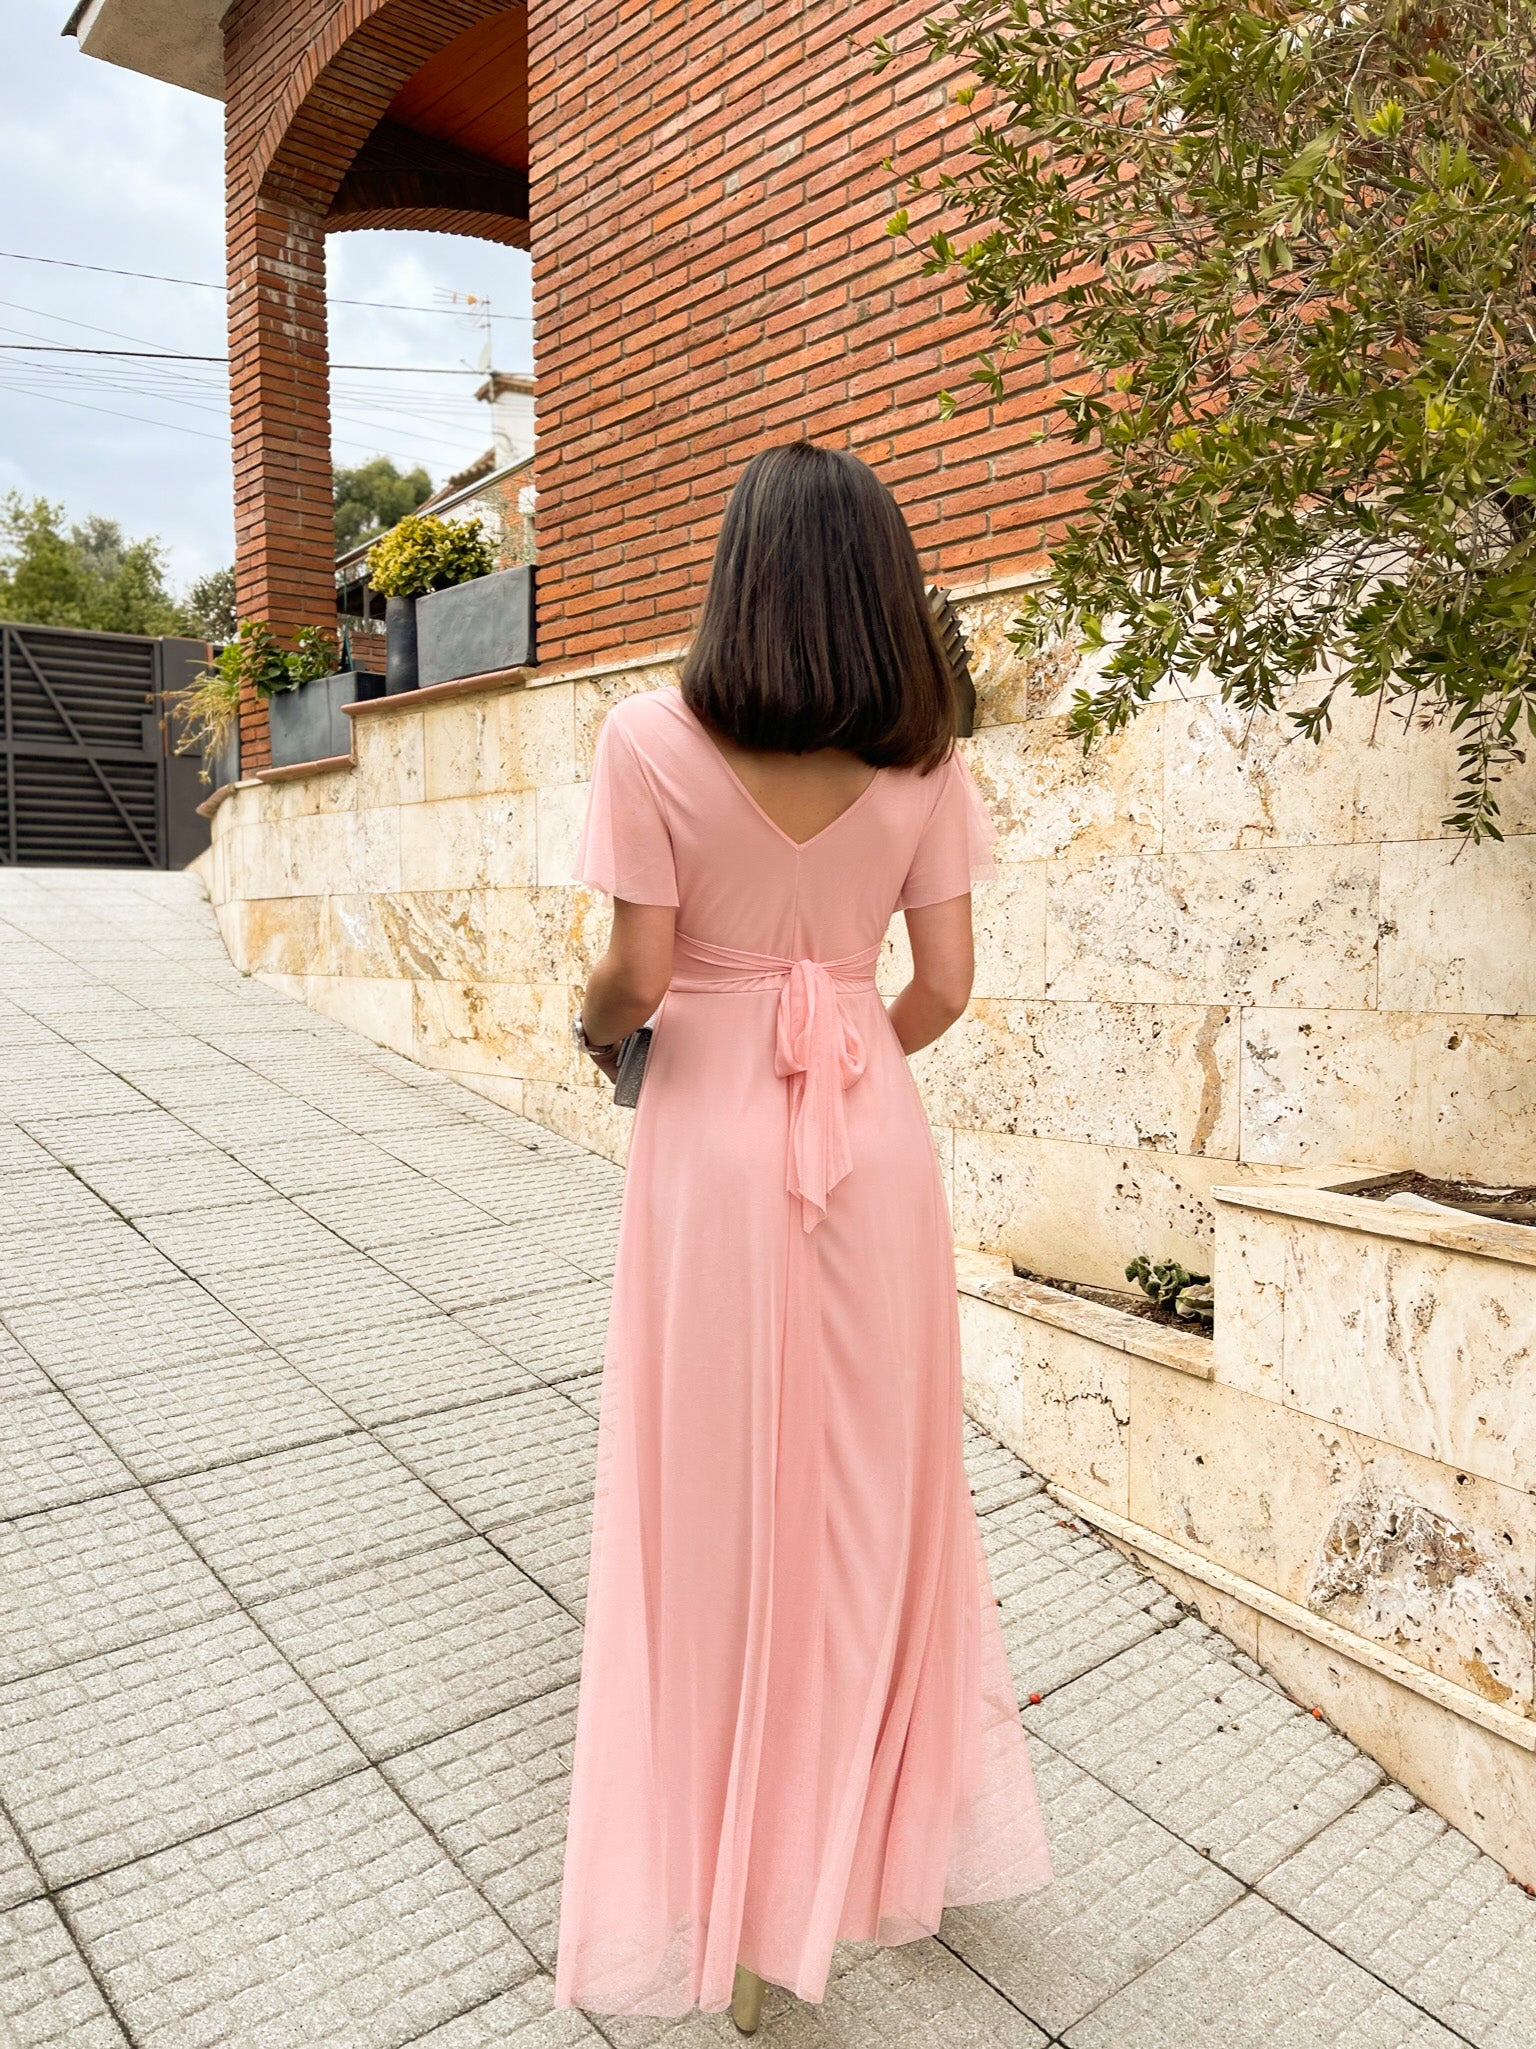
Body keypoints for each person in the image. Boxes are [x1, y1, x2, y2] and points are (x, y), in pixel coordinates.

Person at [554, 442, 1052, 2028]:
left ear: (740, 576)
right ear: (884, 589)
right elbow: (948, 989)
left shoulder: (646, 740)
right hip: (872, 1152)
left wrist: (597, 1035)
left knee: (704, 1490)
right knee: (868, 1498)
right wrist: (839, 1058)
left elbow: (633, 976)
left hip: (704, 1136)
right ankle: (840, 1853)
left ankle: (721, 1872)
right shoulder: (926, 767)